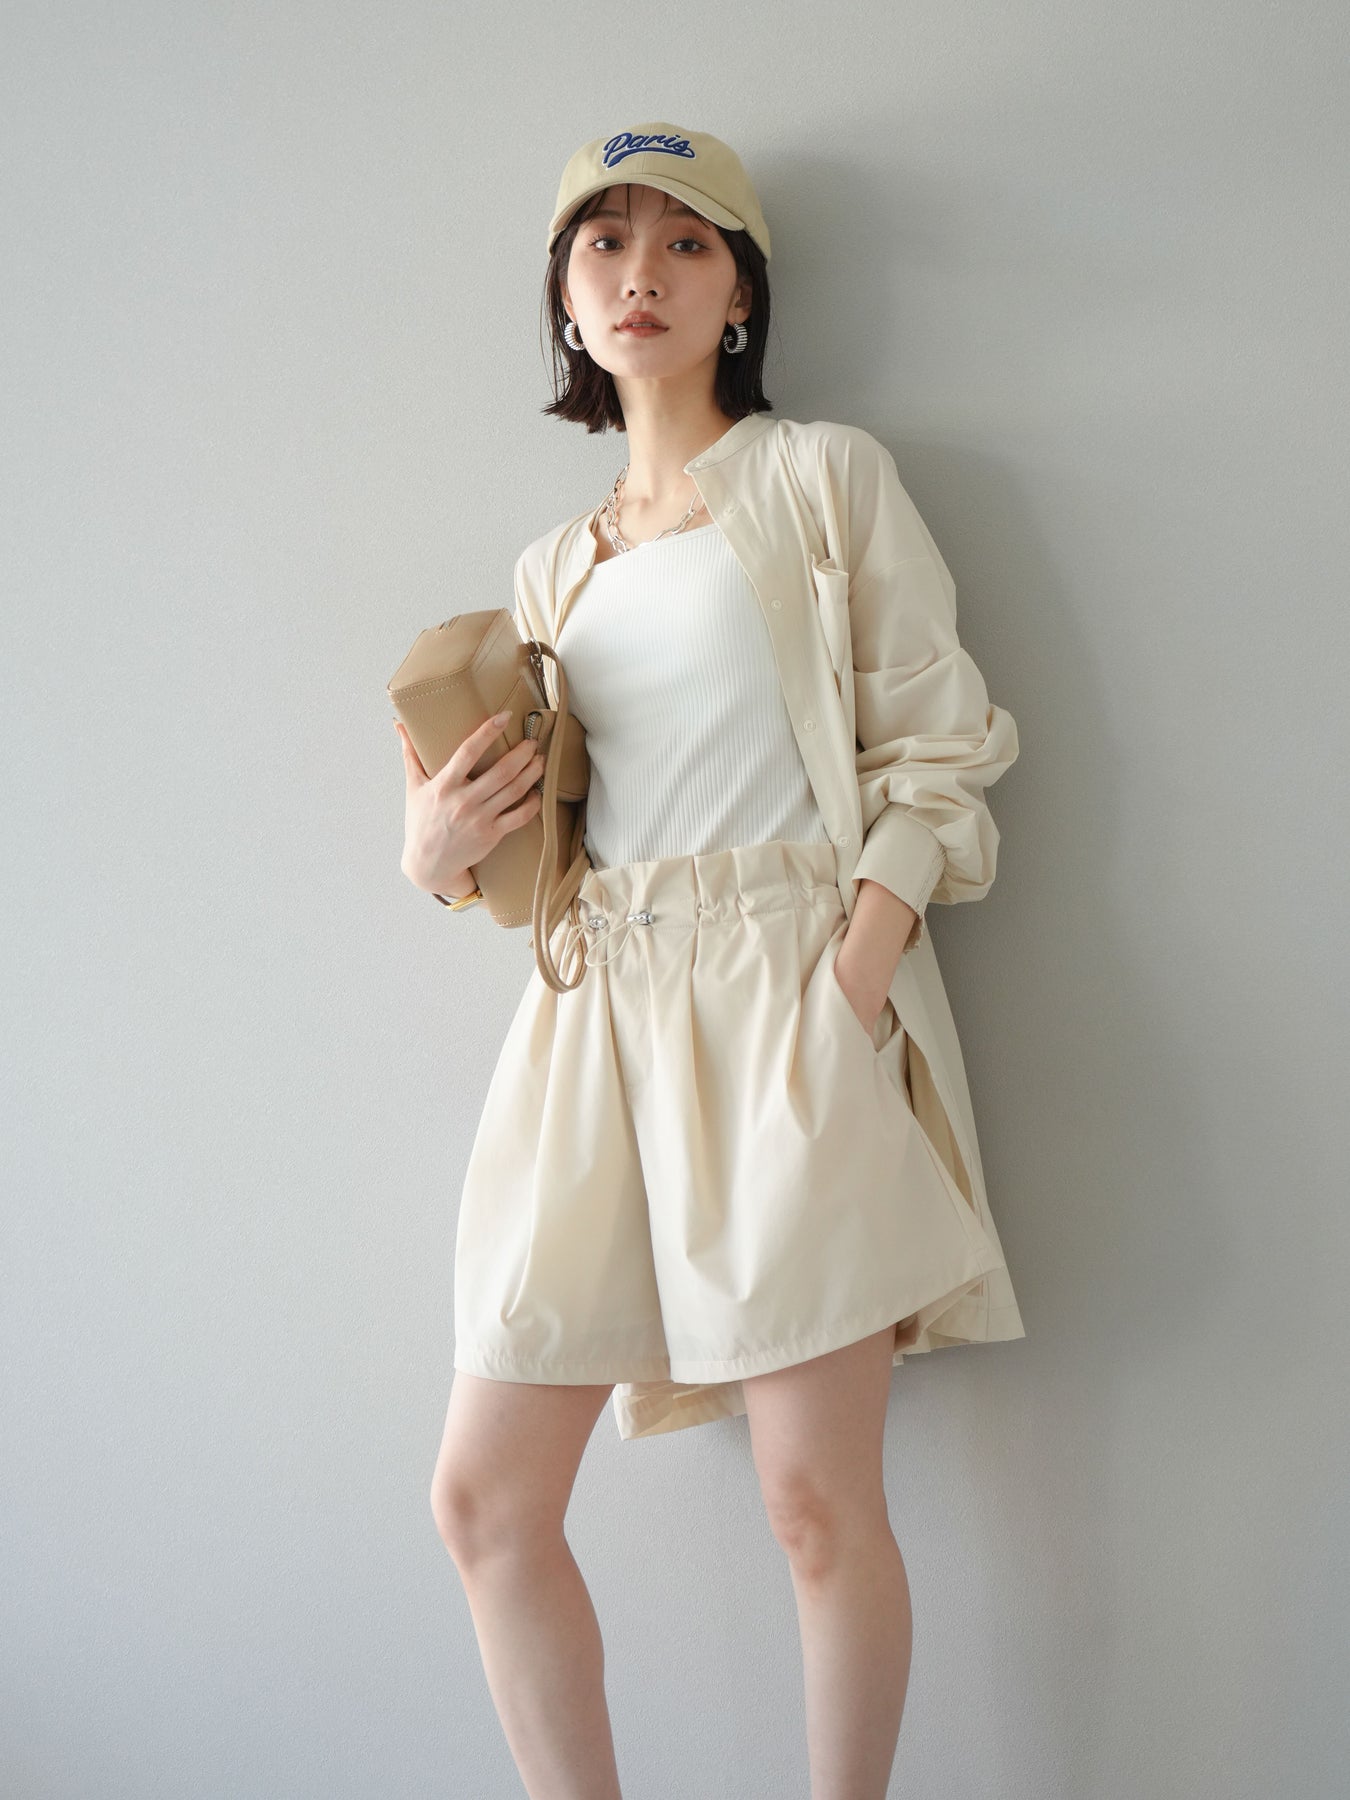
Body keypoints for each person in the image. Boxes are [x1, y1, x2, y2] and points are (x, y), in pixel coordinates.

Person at [395, 121, 1025, 1800]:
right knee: (484, 1500)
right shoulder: (552, 569)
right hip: (593, 1018)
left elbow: (941, 752)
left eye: (686, 243)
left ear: (740, 293)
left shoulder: (823, 477)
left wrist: (851, 976)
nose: (642, 275)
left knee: (812, 1504)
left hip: (788, 992)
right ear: (565, 298)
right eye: (604, 245)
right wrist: (439, 864)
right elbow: (546, 863)